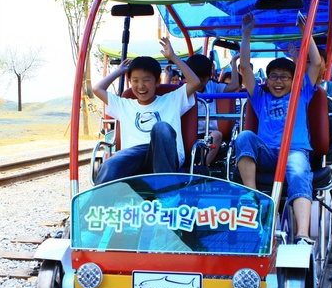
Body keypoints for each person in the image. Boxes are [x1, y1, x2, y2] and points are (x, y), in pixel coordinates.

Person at [234, 12, 321, 245]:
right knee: (244, 137)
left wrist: (306, 33)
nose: (278, 81)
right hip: (267, 152)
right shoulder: (260, 97)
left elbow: (317, 64)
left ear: (294, 80)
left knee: (300, 173)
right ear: (267, 80)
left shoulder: (302, 92)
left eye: (284, 77)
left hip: (294, 151)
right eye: (273, 77)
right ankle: (255, 200)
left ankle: (302, 234)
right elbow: (245, 68)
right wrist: (246, 33)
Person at [92, 37, 201, 184]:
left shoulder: (172, 100)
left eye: (146, 80)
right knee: (110, 163)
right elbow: (96, 89)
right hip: (133, 156)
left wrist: (173, 58)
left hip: (164, 156)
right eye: (135, 81)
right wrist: (119, 71)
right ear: (130, 82)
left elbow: (195, 82)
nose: (141, 86)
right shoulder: (124, 104)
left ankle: (167, 193)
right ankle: (99, 203)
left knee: (161, 127)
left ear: (157, 82)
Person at [187, 53, 239, 165]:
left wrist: (234, 62)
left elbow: (234, 86)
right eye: (196, 79)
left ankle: (202, 167)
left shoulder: (213, 86)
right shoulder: (184, 90)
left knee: (217, 135)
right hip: (190, 132)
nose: (199, 84)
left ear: (208, 77)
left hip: (209, 134)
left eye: (203, 80)